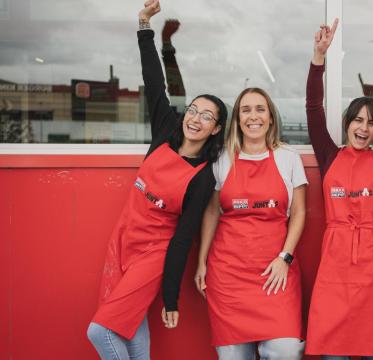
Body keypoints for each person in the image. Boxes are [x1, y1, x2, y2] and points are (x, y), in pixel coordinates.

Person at [86, 0, 227, 359]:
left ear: (216, 129)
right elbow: (153, 82)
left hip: (153, 255)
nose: (195, 119)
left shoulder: (202, 177)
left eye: (206, 116)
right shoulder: (165, 131)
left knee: (100, 331)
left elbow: (183, 238)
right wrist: (145, 27)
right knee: (131, 326)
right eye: (193, 110)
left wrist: (170, 296)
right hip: (123, 242)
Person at [304, 19, 373, 359]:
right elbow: (313, 110)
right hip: (336, 263)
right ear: (348, 123)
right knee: (334, 350)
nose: (364, 128)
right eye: (358, 120)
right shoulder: (328, 154)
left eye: (372, 123)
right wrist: (318, 59)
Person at [188, 87, 308, 359]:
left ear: (270, 118)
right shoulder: (223, 159)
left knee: (286, 351)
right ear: (237, 120)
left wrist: (285, 258)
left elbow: (299, 212)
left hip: (275, 273)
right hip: (229, 275)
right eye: (246, 110)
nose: (253, 116)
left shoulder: (288, 157)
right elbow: (211, 212)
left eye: (260, 109)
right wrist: (202, 261)